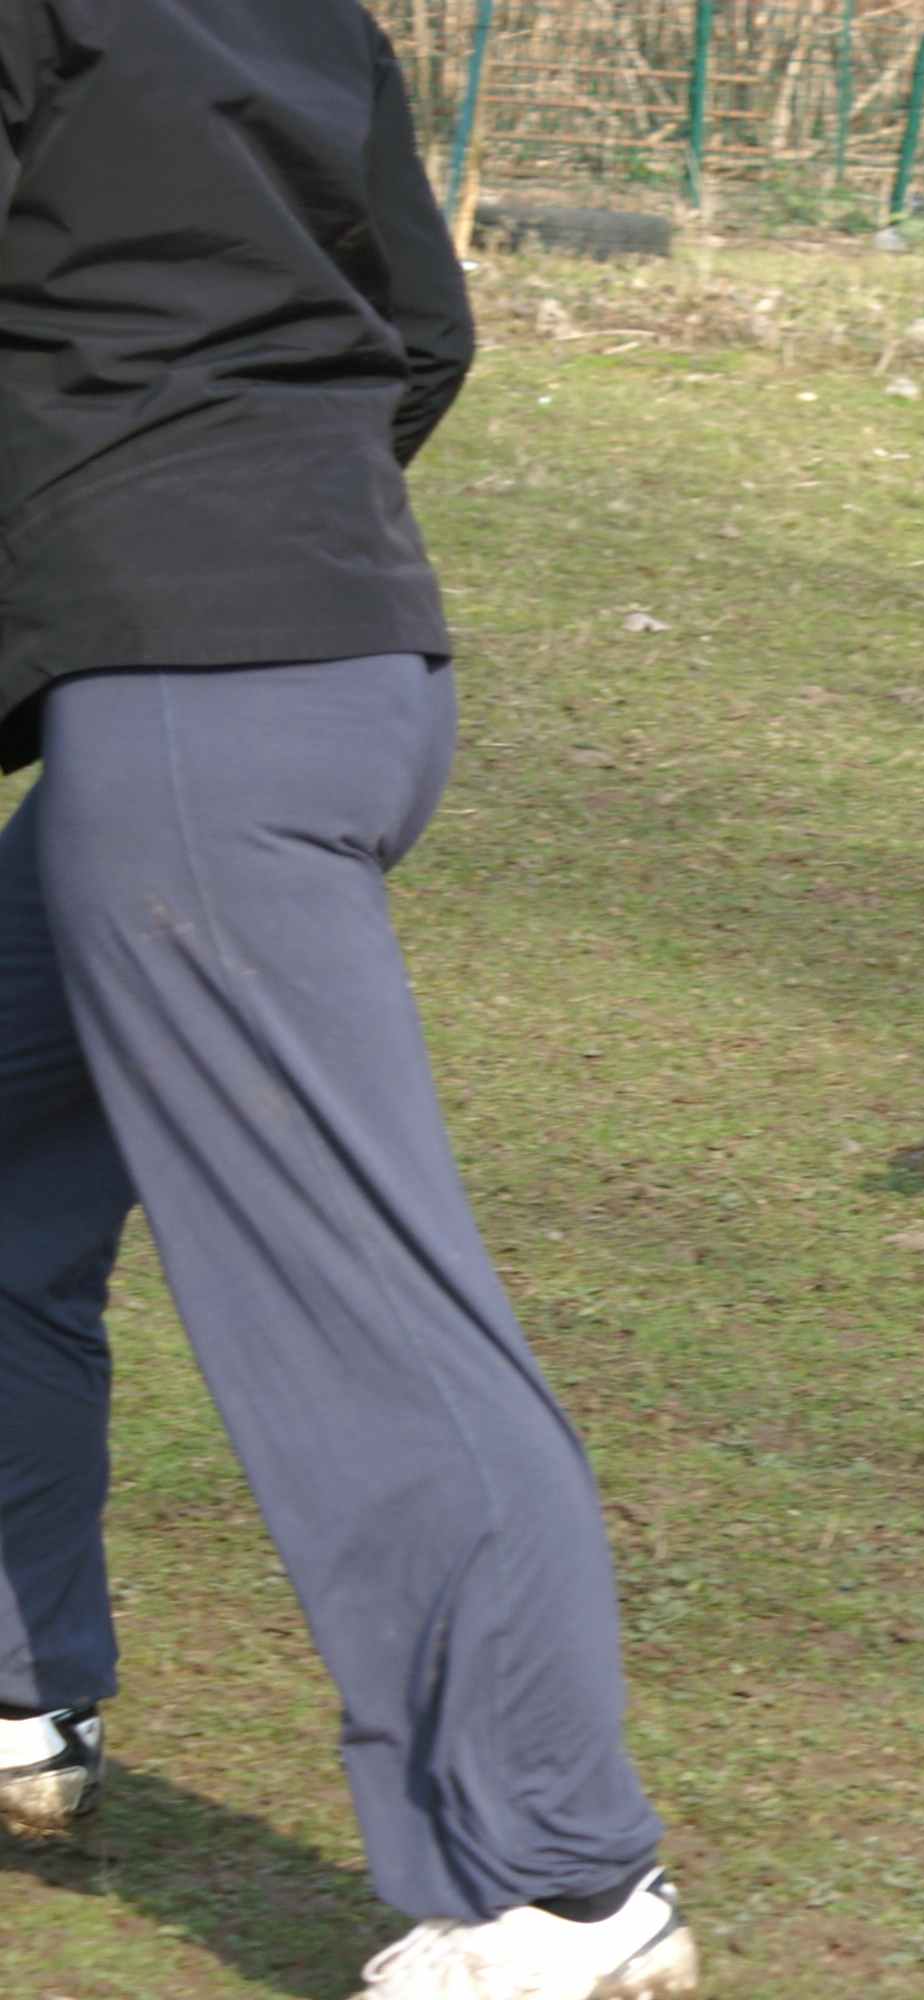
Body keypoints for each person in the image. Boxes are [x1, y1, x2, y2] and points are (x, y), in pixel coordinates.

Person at [0, 6, 699, 1996]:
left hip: (197, 724)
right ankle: (20, 1688)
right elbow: (422, 331)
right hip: (332, 668)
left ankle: (560, 1877)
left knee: (351, 1307)